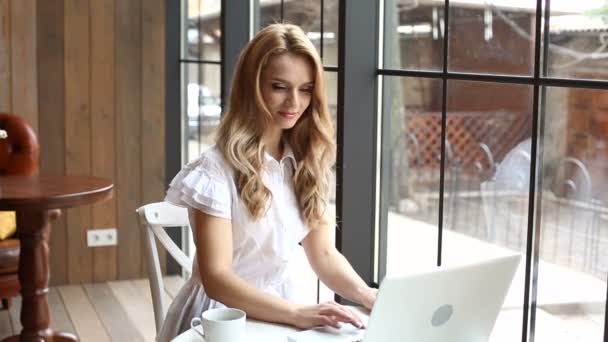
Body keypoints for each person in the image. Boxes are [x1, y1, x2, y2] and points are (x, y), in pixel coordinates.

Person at [157, 23, 377, 341]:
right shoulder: (215, 170)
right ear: (252, 86)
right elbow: (216, 277)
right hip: (222, 317)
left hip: (283, 309)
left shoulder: (306, 161)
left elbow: (325, 254)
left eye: (305, 89)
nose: (294, 102)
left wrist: (368, 294)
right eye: (279, 86)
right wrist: (297, 313)